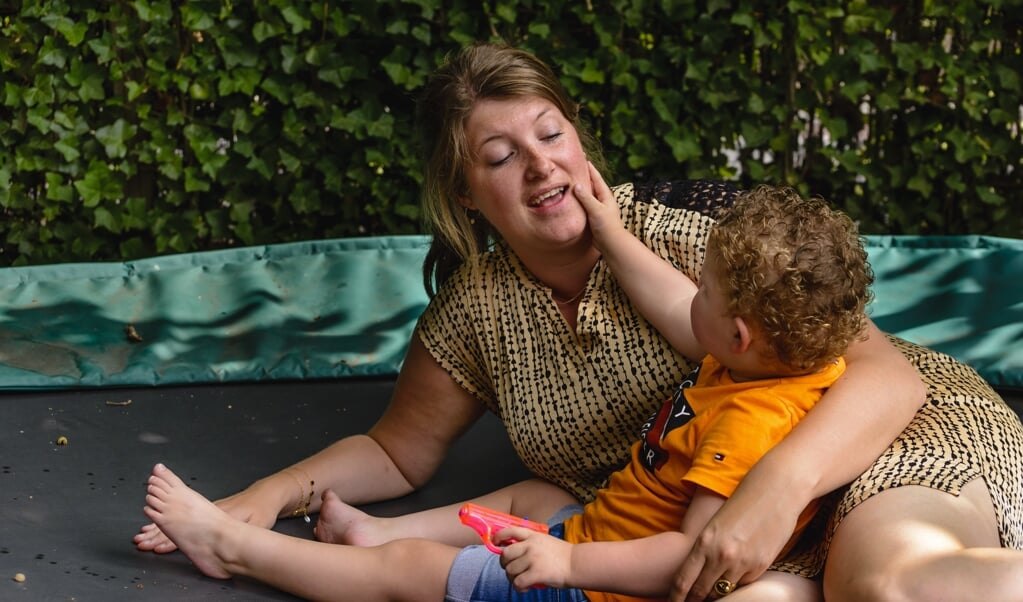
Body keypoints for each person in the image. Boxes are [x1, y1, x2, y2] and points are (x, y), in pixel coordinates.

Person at [135, 42, 1023, 601]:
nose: (539, 166)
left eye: (550, 135)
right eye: (499, 155)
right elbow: (397, 451)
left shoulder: (687, 227)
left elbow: (883, 372)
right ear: (463, 193)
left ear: (579, 140)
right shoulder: (476, 310)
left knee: (885, 584)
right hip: (689, 551)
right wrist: (259, 502)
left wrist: (775, 488)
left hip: (876, 441)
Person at [140, 183, 874, 601]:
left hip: (595, 589)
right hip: (595, 530)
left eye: (705, 291)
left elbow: (692, 555)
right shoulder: (778, 360)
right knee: (528, 496)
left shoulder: (750, 420)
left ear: (738, 334)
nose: (692, 297)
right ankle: (374, 530)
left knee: (411, 577)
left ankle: (232, 551)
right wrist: (613, 235)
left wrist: (569, 564)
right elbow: (678, 304)